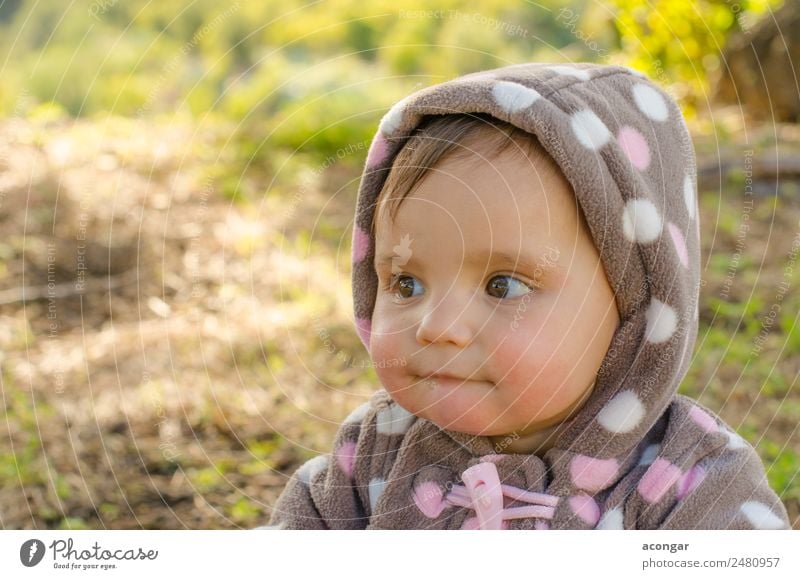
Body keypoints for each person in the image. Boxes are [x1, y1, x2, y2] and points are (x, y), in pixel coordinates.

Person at [261, 62, 791, 529]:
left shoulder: (693, 487)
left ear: (637, 305)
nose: (436, 325)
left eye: (503, 285)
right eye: (406, 283)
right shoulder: (369, 457)